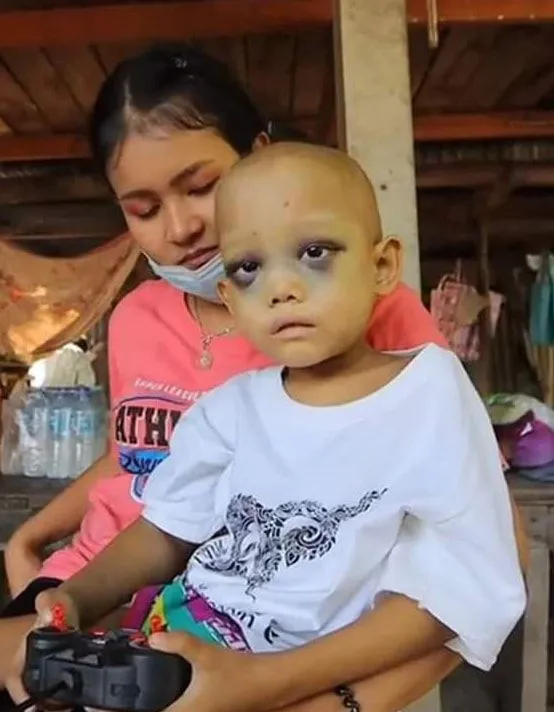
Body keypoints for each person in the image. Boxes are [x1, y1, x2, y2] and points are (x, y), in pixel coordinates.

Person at [1, 44, 527, 712]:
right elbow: (146, 483)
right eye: (248, 269)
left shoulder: (418, 380)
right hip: (146, 619)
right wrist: (55, 570)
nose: (181, 227)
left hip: (262, 661)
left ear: (382, 267)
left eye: (314, 253)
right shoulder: (211, 385)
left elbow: (478, 568)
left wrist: (315, 698)